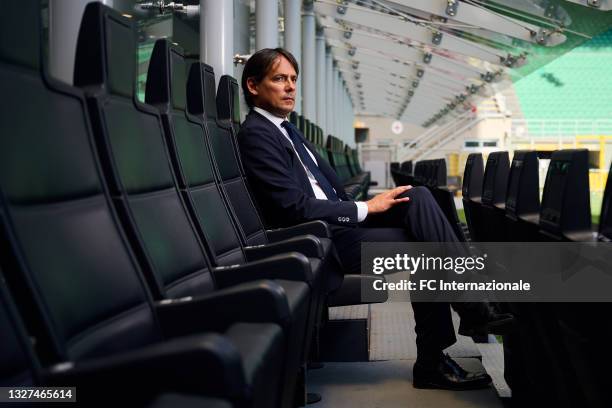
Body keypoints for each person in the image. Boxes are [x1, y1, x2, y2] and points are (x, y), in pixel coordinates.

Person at [237, 47, 512, 390]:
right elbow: (293, 207)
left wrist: (364, 207)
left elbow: (324, 193)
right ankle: (443, 347)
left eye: (293, 79)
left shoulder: (288, 131)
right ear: (253, 85)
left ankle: (471, 307)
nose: (291, 87)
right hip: (323, 240)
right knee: (427, 253)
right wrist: (367, 208)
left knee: (417, 195)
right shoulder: (257, 135)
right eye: (280, 79)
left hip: (340, 224)